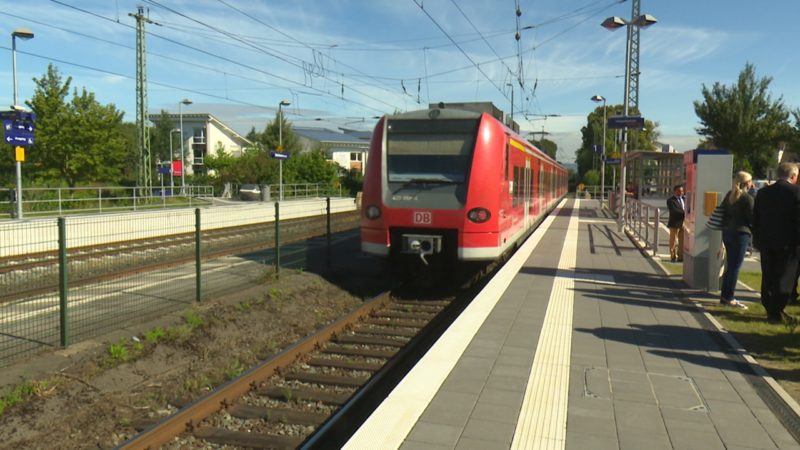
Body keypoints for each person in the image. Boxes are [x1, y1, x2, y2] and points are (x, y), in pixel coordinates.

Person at [752, 162, 800, 323]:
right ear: (793, 176)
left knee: (768, 275)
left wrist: (757, 239)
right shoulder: (796, 192)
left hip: (766, 241)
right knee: (785, 277)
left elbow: (756, 218)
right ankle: (776, 310)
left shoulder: (763, 193)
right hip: (789, 243)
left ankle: (770, 307)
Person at [718, 172, 754, 309]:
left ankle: (724, 296)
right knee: (735, 267)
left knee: (730, 266)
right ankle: (729, 297)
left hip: (727, 233)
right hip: (741, 234)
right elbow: (752, 219)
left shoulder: (729, 195)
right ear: (747, 183)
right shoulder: (747, 199)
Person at [666, 184, 685, 262]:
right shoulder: (671, 200)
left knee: (682, 241)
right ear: (675, 191)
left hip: (683, 223)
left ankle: (680, 257)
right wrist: (685, 214)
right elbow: (674, 211)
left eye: (682, 191)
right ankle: (673, 256)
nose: (681, 192)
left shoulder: (685, 199)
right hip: (674, 223)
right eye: (679, 191)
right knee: (673, 240)